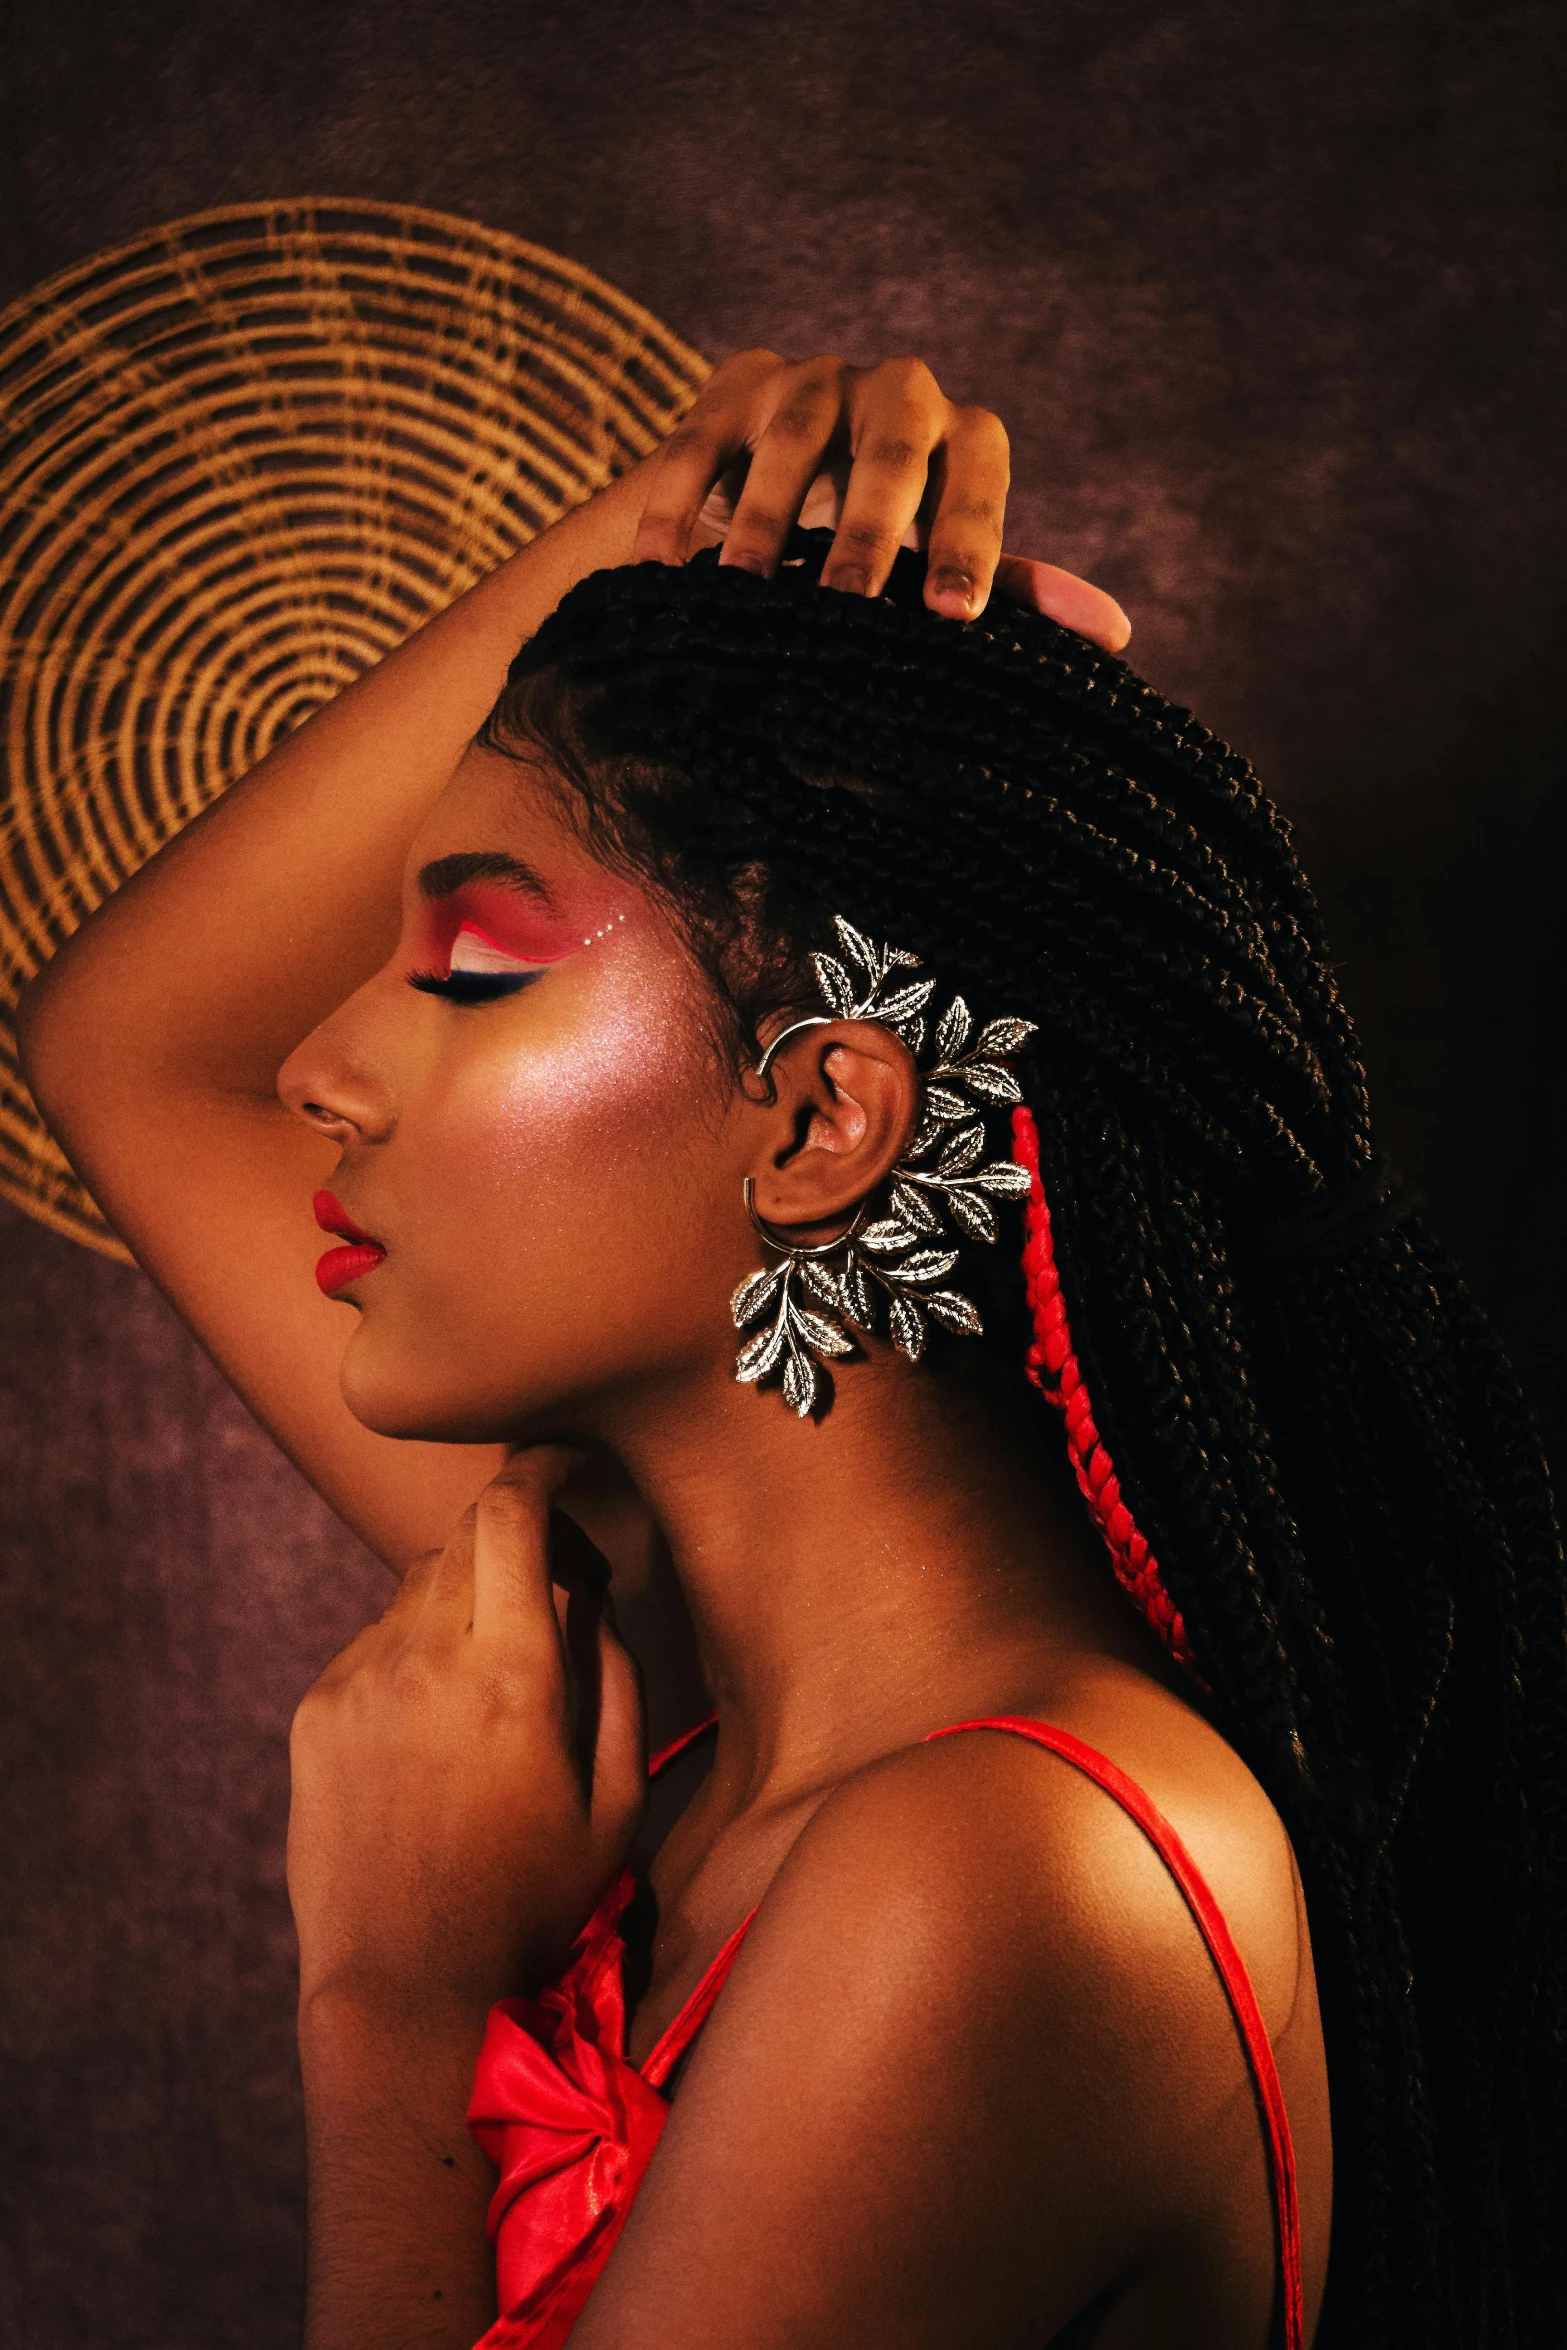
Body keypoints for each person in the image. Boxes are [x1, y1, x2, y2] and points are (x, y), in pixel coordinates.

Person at [16, 350, 1562, 2350]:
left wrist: (389, 2030)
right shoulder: (675, 1709)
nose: (325, 1062)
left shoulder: (1006, 1874)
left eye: (472, 969)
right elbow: (129, 1051)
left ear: (821, 1117)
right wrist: (695, 516)